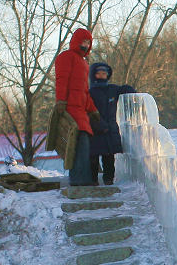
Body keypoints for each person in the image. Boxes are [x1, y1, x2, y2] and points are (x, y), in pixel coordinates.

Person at [54, 27, 101, 186]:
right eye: (83, 41)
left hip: (81, 111)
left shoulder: (84, 63)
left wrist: (92, 109)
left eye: (88, 42)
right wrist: (60, 101)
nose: (86, 45)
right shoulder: (66, 57)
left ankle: (83, 180)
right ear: (76, 41)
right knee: (76, 147)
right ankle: (78, 181)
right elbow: (61, 80)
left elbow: (85, 92)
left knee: (83, 147)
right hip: (71, 110)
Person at [87, 62, 135, 185]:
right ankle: (93, 181)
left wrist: (132, 91)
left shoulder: (112, 90)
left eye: (104, 73)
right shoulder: (89, 93)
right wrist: (98, 125)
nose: (102, 75)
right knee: (93, 158)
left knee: (109, 157)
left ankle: (109, 181)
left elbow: (124, 89)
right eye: (99, 73)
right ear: (94, 75)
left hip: (110, 130)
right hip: (94, 130)